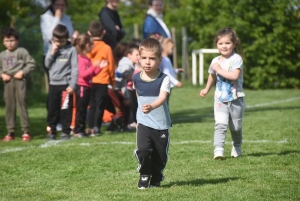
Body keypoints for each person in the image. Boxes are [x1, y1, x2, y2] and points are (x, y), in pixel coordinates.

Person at [200, 28, 245, 159]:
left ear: (234, 44)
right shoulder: (215, 61)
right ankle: (218, 150)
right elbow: (211, 76)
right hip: (220, 99)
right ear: (216, 45)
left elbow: (234, 76)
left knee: (235, 127)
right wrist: (206, 89)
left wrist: (219, 69)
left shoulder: (237, 59)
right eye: (220, 43)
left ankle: (237, 145)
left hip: (236, 99)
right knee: (220, 124)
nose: (224, 46)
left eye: (227, 43)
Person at [133, 38, 171, 189]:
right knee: (143, 149)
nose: (147, 62)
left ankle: (157, 176)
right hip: (143, 122)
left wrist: (151, 106)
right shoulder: (136, 77)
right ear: (139, 58)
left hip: (161, 124)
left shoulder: (164, 79)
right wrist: (142, 112)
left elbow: (162, 97)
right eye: (144, 58)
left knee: (160, 155)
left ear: (159, 60)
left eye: (152, 58)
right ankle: (144, 174)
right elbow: (138, 95)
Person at [40, 0, 78, 132]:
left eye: (63, 5)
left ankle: (64, 124)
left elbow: (69, 37)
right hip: (51, 54)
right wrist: (57, 17)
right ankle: (53, 124)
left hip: (67, 55)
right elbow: (48, 36)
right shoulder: (45, 17)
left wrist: (74, 37)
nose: (60, 7)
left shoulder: (67, 18)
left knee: (65, 100)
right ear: (52, 5)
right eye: (57, 5)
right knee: (53, 97)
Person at [0, 27, 35, 141]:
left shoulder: (21, 52)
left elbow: (31, 63)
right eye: (7, 41)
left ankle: (25, 131)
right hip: (8, 82)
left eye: (12, 40)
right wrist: (2, 74)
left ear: (17, 41)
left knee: (22, 105)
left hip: (19, 81)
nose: (10, 43)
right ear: (3, 42)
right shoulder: (2, 55)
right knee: (9, 107)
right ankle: (10, 132)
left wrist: (22, 72)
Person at [44, 24, 78, 140]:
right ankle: (51, 131)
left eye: (62, 41)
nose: (58, 43)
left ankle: (65, 131)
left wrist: (72, 85)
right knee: (52, 109)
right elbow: (47, 65)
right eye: (56, 40)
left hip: (66, 85)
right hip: (53, 84)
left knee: (65, 109)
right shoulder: (52, 48)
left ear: (67, 39)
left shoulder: (72, 50)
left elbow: (74, 69)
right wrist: (52, 52)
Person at [72, 33, 108, 138]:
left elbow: (92, 74)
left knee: (84, 108)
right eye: (92, 44)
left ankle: (82, 130)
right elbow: (83, 74)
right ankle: (78, 130)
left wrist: (99, 67)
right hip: (82, 87)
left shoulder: (86, 58)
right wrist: (94, 66)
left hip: (87, 86)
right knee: (81, 109)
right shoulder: (80, 58)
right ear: (87, 45)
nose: (93, 47)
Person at [86, 20, 115, 136]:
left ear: (89, 33)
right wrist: (112, 82)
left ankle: (90, 127)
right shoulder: (106, 48)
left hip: (89, 80)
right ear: (103, 32)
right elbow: (111, 66)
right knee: (100, 105)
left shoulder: (87, 47)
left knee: (91, 105)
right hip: (102, 81)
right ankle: (97, 128)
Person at [107, 43, 140, 132]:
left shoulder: (129, 64)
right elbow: (118, 76)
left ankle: (115, 126)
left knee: (125, 108)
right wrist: (126, 97)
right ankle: (115, 124)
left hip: (116, 88)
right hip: (113, 89)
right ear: (129, 55)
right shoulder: (127, 65)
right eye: (137, 55)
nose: (139, 57)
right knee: (122, 109)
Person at [159, 38, 184, 103]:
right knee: (164, 103)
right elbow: (166, 73)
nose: (173, 50)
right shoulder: (164, 60)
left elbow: (169, 71)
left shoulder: (166, 59)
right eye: (172, 48)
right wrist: (176, 82)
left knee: (166, 103)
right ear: (165, 48)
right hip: (166, 85)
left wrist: (177, 71)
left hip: (168, 85)